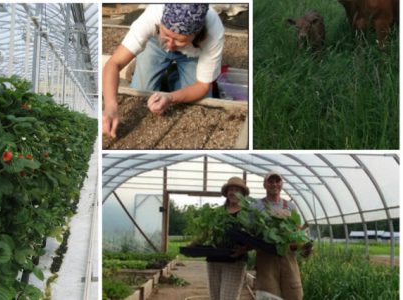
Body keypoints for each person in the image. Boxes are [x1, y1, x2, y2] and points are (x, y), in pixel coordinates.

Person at [103, 4, 225, 138]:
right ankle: (158, 63)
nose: (171, 45)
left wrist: (171, 97)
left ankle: (173, 74)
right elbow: (114, 63)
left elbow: (202, 86)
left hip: (194, 53)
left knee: (202, 101)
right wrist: (110, 106)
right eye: (167, 34)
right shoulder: (151, 16)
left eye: (179, 40)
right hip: (156, 44)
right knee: (142, 90)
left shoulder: (214, 31)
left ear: (196, 33)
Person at [252, 171, 312, 300]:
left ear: (281, 184)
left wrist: (302, 245)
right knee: (268, 294)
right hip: (266, 257)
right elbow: (251, 231)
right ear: (265, 185)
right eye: (271, 181)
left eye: (277, 181)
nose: (274, 184)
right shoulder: (257, 205)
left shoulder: (290, 206)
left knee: (293, 293)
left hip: (288, 256)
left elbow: (297, 231)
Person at [206, 176, 250, 300]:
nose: (233, 192)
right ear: (226, 193)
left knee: (228, 297)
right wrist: (193, 245)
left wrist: (243, 249)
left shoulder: (248, 214)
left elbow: (255, 238)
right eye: (230, 189)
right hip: (214, 260)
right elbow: (207, 233)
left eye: (237, 190)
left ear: (242, 194)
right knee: (214, 297)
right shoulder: (218, 212)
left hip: (234, 261)